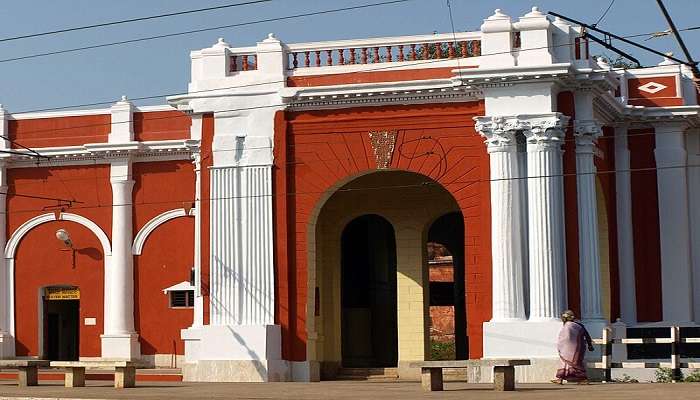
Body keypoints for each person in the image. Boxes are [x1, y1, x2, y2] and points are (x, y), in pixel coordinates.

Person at [551, 309, 594, 384]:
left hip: (573, 349)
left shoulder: (573, 325)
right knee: (564, 363)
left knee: (575, 364)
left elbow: (586, 335)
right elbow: (587, 336)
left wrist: (590, 345)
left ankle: (583, 379)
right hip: (569, 349)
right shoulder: (578, 326)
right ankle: (560, 379)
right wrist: (590, 345)